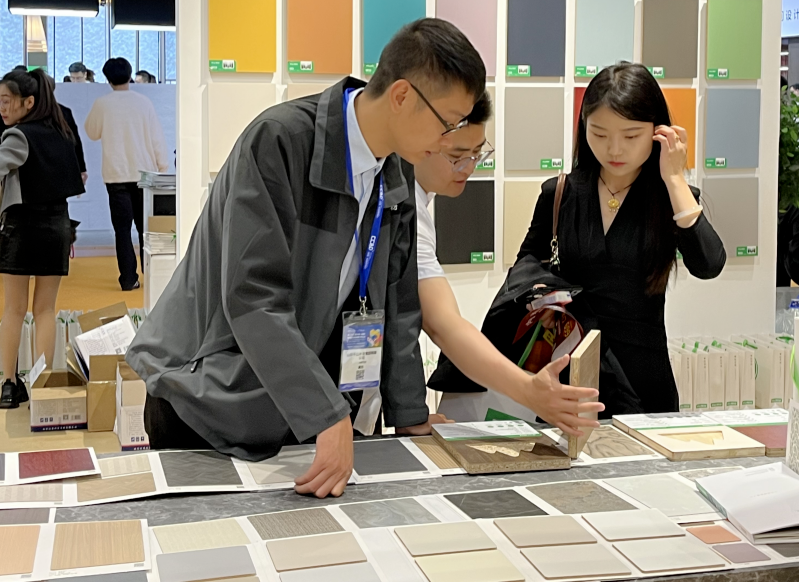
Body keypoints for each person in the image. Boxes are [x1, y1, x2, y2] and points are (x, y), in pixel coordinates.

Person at [126, 18, 485, 498]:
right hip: (205, 400)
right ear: (402, 95)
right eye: (447, 123)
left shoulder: (395, 169)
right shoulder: (280, 141)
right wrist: (325, 413)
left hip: (289, 415)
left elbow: (400, 309)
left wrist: (411, 415)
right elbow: (253, 298)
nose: (447, 141)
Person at [516, 62, 726, 414]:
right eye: (599, 134)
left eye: (630, 137)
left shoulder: (671, 198)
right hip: (570, 368)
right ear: (584, 128)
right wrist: (545, 298)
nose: (614, 150)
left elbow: (709, 264)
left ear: (658, 132)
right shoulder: (561, 194)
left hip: (643, 379)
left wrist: (675, 179)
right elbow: (525, 269)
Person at [412, 91, 603, 434]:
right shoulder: (402, 205)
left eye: (477, 153)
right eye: (457, 156)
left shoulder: (415, 203)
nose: (469, 166)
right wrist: (528, 390)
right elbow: (441, 323)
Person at [0, 69, 85, 409]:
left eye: (6, 101)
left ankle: (9, 385)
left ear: (28, 102)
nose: (1, 108)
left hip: (22, 227)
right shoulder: (61, 130)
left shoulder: (18, 135)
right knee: (45, 310)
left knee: (14, 310)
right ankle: (43, 385)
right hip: (57, 225)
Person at [85, 57, 169, 291]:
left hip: (116, 174)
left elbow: (92, 132)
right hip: (144, 174)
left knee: (122, 230)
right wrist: (163, 167)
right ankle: (152, 275)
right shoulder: (144, 103)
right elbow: (156, 137)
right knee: (146, 229)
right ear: (130, 75)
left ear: (108, 79)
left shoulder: (102, 104)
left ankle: (128, 279)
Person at [0, 71, 87, 186]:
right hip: (41, 184)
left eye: (6, 101)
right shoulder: (5, 119)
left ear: (30, 100)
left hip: (35, 185)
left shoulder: (29, 130)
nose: (1, 108)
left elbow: (73, 143)